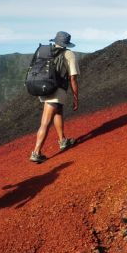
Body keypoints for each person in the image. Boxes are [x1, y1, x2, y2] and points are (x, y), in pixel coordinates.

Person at [29, 31, 80, 163]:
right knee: (45, 122)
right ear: (66, 43)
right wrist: (76, 97)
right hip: (56, 90)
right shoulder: (68, 54)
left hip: (44, 88)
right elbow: (72, 77)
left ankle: (63, 140)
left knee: (58, 111)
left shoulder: (46, 52)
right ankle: (36, 152)